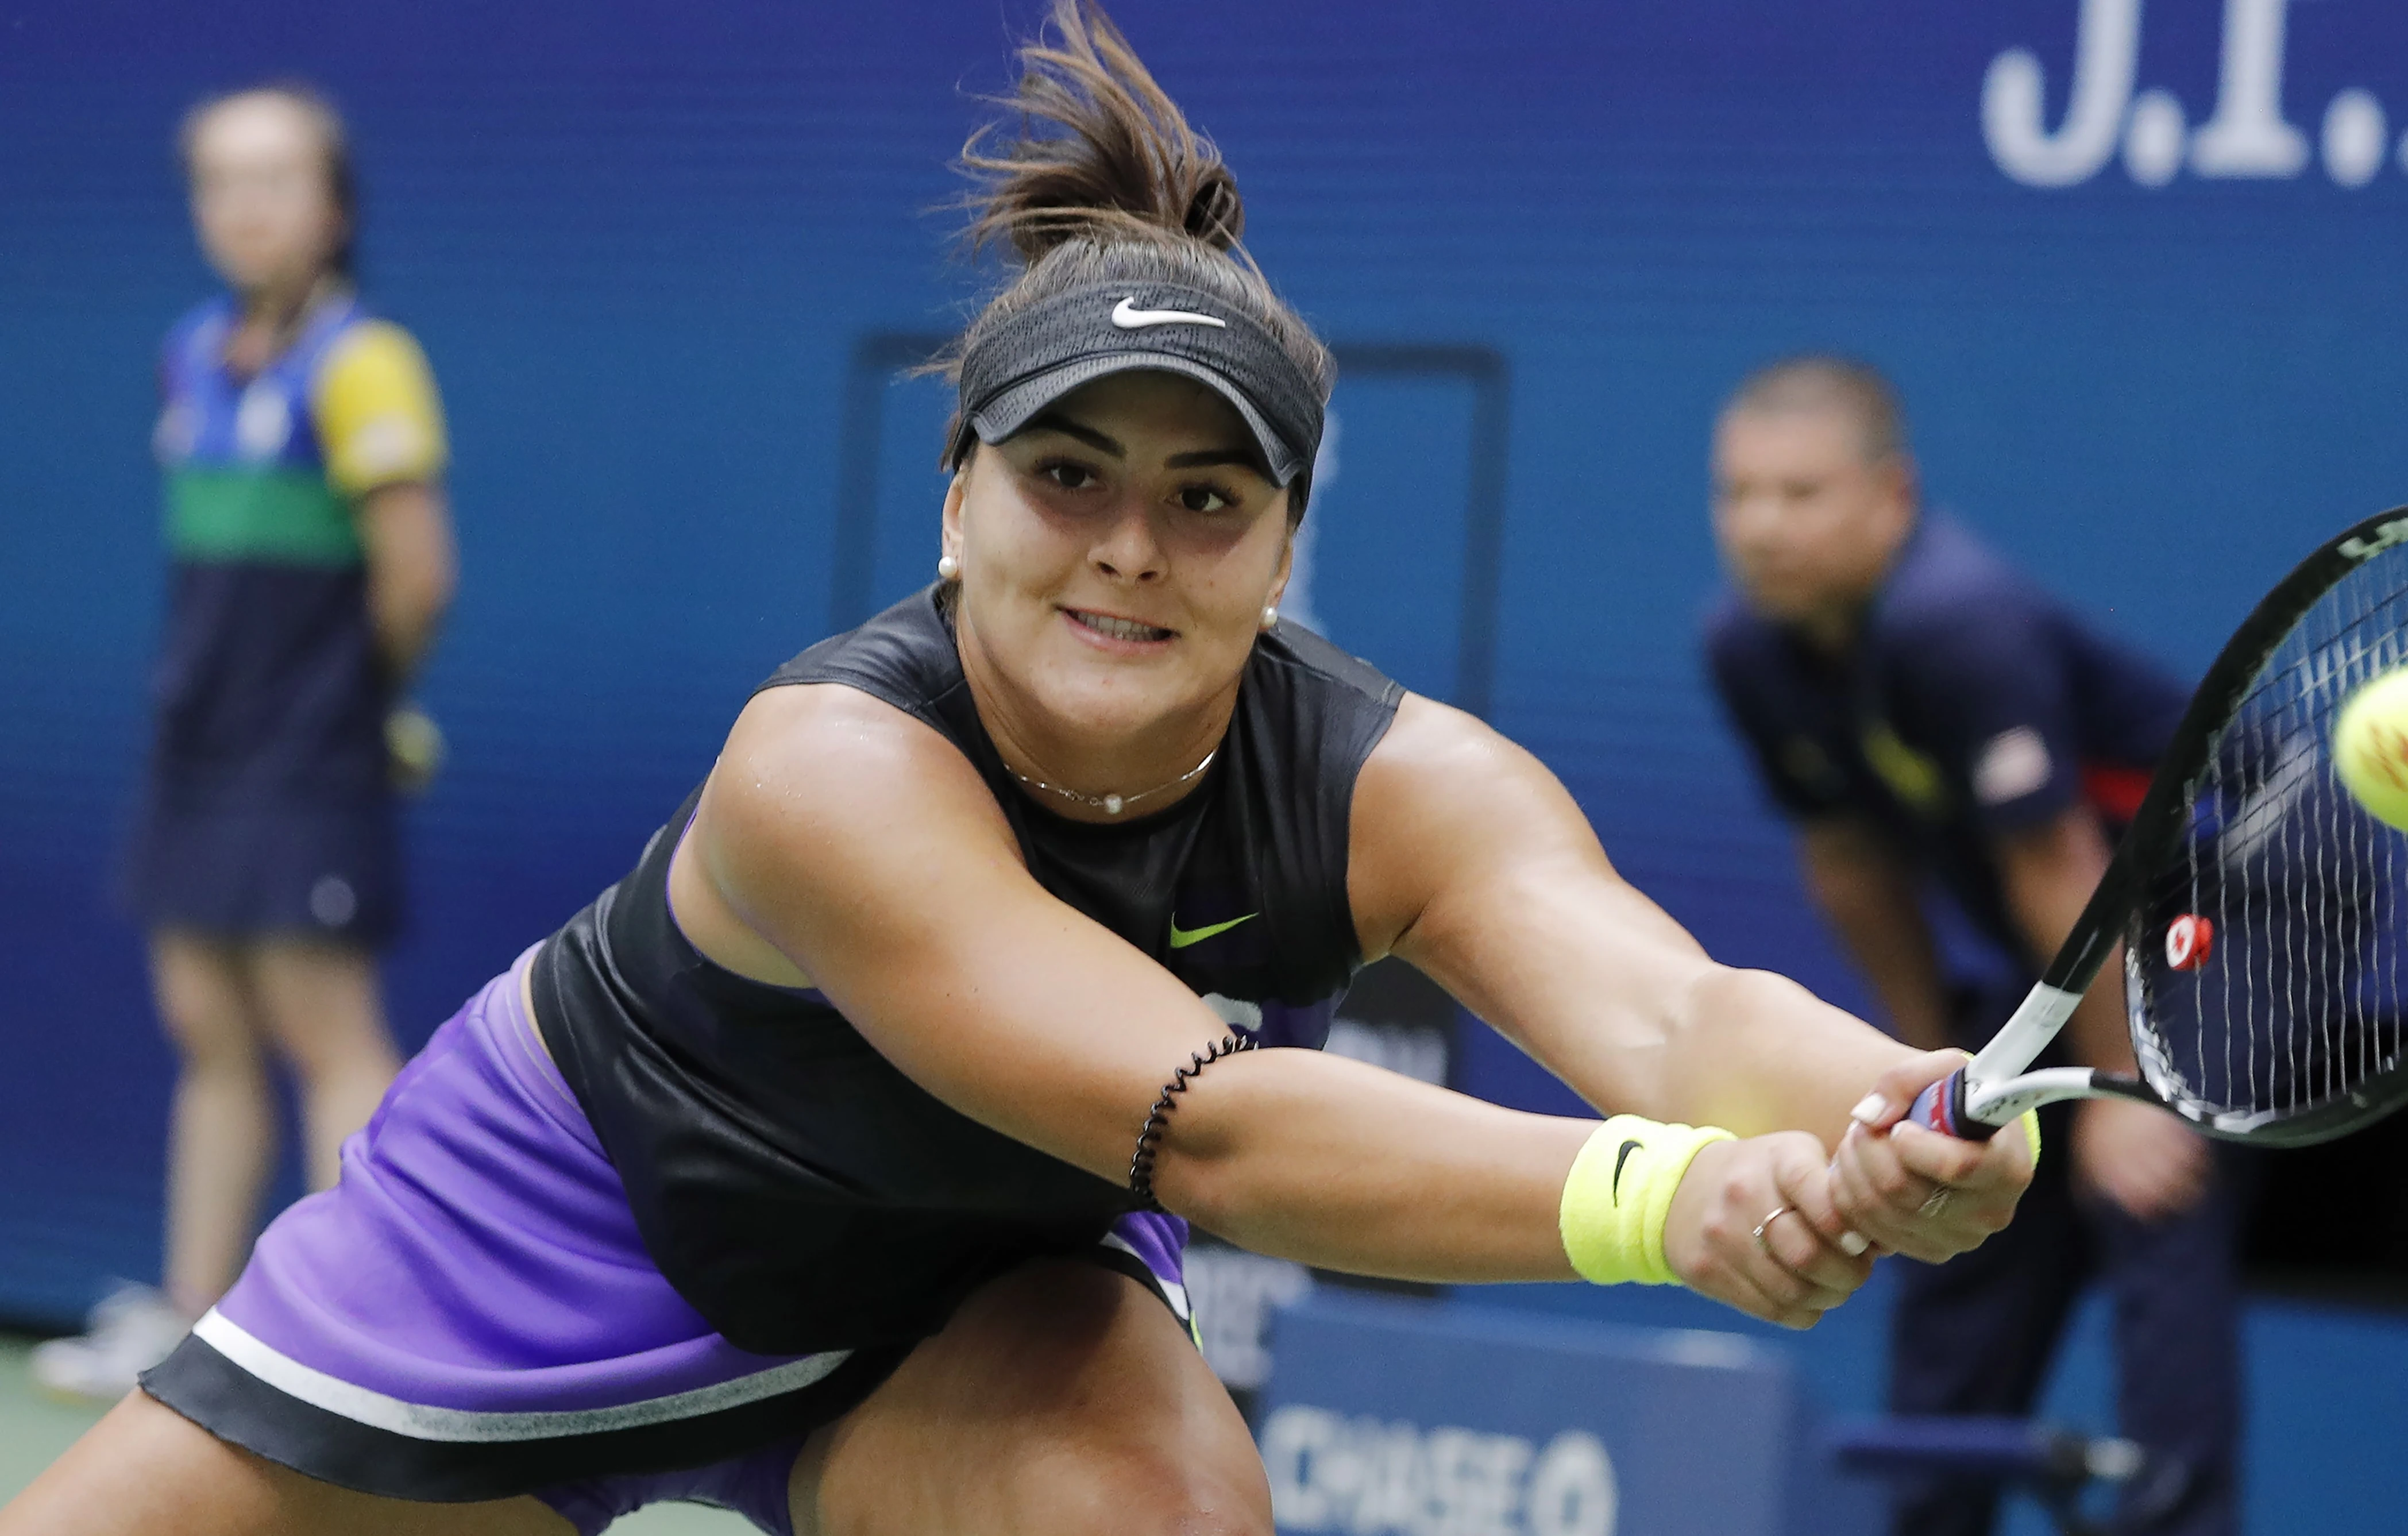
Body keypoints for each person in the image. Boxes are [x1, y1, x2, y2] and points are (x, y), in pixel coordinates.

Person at [2, 10, 2032, 1534]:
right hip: (552, 1239)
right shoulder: (824, 768)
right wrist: (1676, 1201)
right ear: (956, 497)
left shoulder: (1404, 783)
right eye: (1068, 476)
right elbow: (1216, 1134)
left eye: (1207, 496)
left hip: (972, 1303)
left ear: (1281, 540)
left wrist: (1914, 1117)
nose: (1131, 546)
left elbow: (1678, 1012)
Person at [1702, 358, 2249, 1536]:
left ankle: (2177, 1512)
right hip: (2070, 935)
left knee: (2151, 1181)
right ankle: (1927, 1511)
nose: (1761, 526)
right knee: (1954, 1162)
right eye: (1738, 494)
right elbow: (1850, 863)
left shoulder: (1961, 622)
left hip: (2230, 896)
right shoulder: (1747, 651)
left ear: (1890, 496)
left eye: (1799, 494)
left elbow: (2055, 860)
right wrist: (1921, 1048)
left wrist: (2126, 1090)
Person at [33, 84, 456, 1400]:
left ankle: (357, 1336)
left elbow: (417, 575)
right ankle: (188, 1313)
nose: (247, 205)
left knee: (327, 1032)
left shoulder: (367, 361)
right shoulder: (190, 351)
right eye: (220, 181)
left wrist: (345, 704)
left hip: (306, 753)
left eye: (277, 178)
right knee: (204, 1019)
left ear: (333, 206)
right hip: (195, 747)